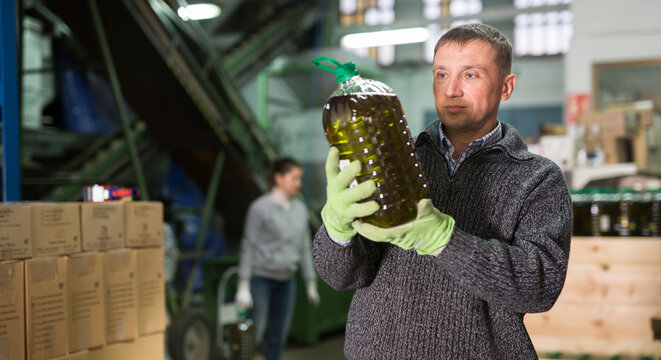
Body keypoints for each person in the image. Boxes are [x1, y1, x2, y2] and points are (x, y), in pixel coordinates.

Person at [313, 23, 571, 359]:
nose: (451, 91)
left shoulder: (537, 178)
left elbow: (539, 287)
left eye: (470, 75)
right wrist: (337, 231)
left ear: (506, 87)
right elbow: (341, 276)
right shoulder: (391, 159)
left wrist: (445, 240)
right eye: (441, 75)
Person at [236, 157, 320, 360]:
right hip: (260, 280)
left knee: (278, 337)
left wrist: (310, 283)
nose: (299, 183)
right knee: (254, 336)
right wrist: (243, 284)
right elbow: (248, 245)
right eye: (295, 178)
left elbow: (304, 247)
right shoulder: (259, 208)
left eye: (300, 179)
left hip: (287, 281)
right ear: (279, 178)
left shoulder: (300, 211)